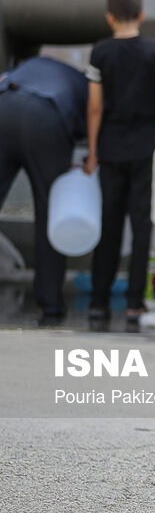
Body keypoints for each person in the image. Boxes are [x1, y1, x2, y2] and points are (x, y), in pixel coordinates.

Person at [84, 0, 155, 332]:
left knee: (109, 226)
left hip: (110, 149)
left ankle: (98, 301)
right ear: (141, 15)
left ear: (109, 17)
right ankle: (135, 303)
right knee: (141, 228)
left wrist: (92, 151)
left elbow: (94, 106)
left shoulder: (100, 53)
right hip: (147, 150)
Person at [0, 57, 89, 326]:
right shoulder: (87, 87)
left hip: (4, 106)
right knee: (50, 212)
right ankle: (50, 303)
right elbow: (95, 120)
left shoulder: (31, 65)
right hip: (47, 118)